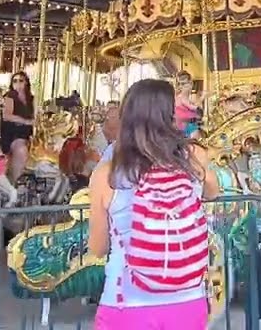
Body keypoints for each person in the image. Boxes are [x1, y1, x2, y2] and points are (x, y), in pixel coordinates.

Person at [88, 78, 219, 330]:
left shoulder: (107, 174)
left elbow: (98, 247)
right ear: (169, 116)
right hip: (188, 301)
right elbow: (213, 191)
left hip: (125, 302)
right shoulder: (193, 158)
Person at [2, 71, 36, 182]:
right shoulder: (10, 96)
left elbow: (35, 116)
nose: (17, 83)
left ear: (26, 82)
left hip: (28, 133)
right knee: (21, 150)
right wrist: (26, 121)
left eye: (21, 80)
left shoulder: (31, 99)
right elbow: (6, 116)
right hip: (13, 132)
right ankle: (15, 182)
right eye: (15, 81)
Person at [173, 72, 201, 138]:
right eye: (182, 84)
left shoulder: (187, 98)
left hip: (187, 126)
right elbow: (195, 112)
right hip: (184, 128)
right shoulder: (180, 98)